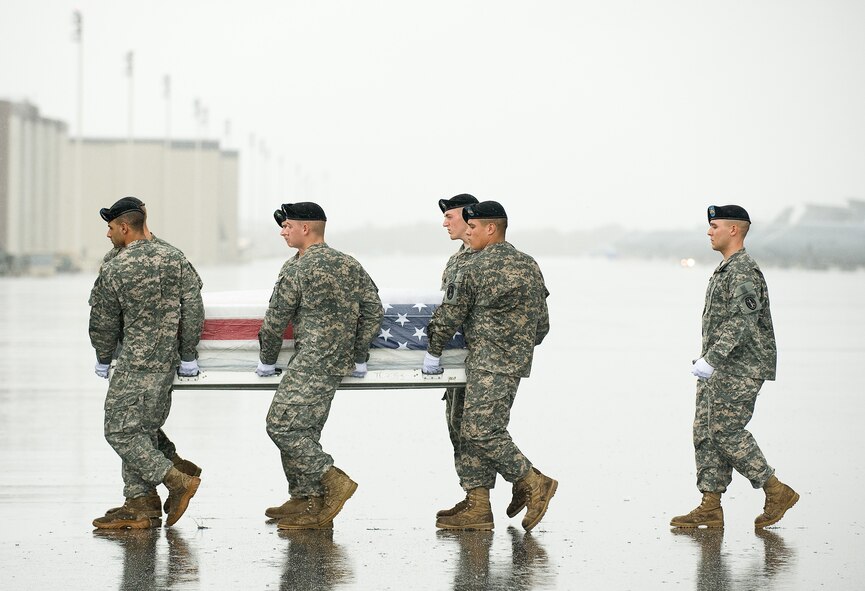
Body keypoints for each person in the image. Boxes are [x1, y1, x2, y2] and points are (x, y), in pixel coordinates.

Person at [422, 200, 556, 531]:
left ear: (489, 228)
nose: (467, 230)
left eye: (472, 226)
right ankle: (478, 505)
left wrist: (433, 350)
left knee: (480, 429)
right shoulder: (528, 264)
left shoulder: (474, 267)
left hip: (486, 359)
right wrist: (519, 345)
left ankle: (533, 481)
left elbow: (450, 313)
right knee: (469, 426)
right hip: (507, 359)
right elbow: (542, 324)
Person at [671, 205, 799, 529]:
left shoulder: (743, 271)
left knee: (725, 431)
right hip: (718, 367)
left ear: (734, 230)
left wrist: (711, 360)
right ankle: (710, 506)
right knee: (705, 431)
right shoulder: (725, 269)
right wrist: (708, 361)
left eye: (714, 226)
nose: (709, 232)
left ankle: (775, 489)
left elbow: (742, 322)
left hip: (740, 368)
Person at [257, 202, 383, 530]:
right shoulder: (348, 264)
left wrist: (267, 360)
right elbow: (373, 309)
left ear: (306, 229)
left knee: (281, 425)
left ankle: (333, 480)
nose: (282, 230)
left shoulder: (297, 268)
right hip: (336, 361)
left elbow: (274, 321)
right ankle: (306, 500)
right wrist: (357, 353)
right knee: (305, 429)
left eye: (287, 225)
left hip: (312, 360)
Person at [89, 199, 203, 529]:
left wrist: (103, 355)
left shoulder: (116, 266)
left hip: (135, 362)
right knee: (141, 428)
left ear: (125, 227)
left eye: (110, 228)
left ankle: (177, 478)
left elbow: (103, 320)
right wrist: (187, 353)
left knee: (119, 429)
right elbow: (194, 308)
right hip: (165, 361)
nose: (107, 234)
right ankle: (141, 504)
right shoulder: (174, 257)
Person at [432, 193, 477, 522]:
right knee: (457, 427)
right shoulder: (456, 260)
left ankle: (526, 482)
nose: (445, 222)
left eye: (451, 216)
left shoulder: (486, 258)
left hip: (484, 359)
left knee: (480, 430)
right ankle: (474, 497)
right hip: (458, 360)